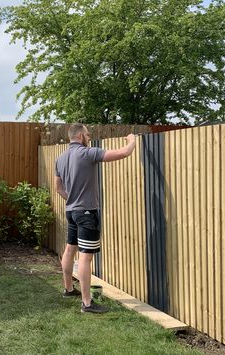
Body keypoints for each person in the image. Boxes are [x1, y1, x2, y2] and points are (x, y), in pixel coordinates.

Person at [55, 123, 136, 313]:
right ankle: (87, 303)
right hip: (86, 213)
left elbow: (59, 188)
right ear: (81, 136)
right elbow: (124, 153)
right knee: (85, 257)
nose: (89, 137)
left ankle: (68, 289)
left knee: (69, 250)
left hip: (71, 211)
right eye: (88, 134)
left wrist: (73, 199)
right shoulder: (87, 153)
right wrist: (131, 141)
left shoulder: (60, 158)